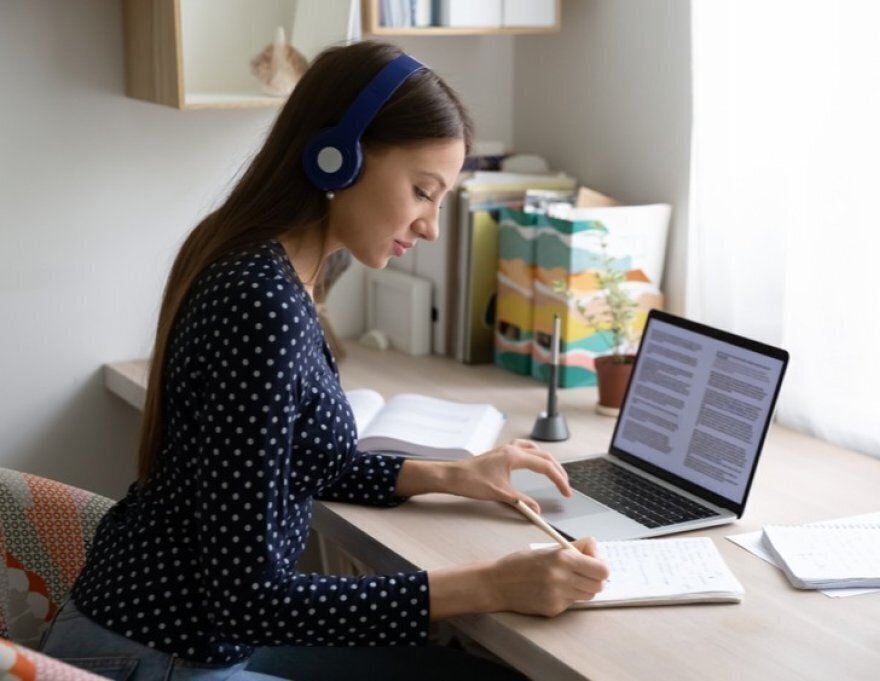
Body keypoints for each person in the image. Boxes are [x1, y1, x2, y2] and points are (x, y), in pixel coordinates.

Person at [40, 40, 609, 680]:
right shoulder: (262, 302)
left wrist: (452, 476)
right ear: (338, 158)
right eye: (424, 191)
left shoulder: (271, 264)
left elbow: (294, 464)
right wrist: (493, 585)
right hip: (159, 656)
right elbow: (248, 601)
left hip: (176, 635)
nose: (432, 228)